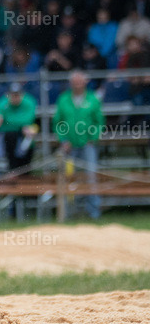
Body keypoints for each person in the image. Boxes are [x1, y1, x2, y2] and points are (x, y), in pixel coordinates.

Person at [53, 71, 104, 219]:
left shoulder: (93, 99)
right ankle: (67, 212)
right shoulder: (63, 99)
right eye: (74, 81)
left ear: (85, 82)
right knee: (67, 178)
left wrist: (92, 137)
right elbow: (57, 122)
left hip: (87, 145)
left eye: (80, 81)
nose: (77, 84)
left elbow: (99, 121)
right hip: (69, 146)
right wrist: (63, 139)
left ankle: (94, 213)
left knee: (91, 177)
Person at [0, 83, 38, 172]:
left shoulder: (29, 102)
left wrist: (8, 121)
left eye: (17, 95)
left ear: (22, 94)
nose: (15, 97)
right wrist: (19, 124)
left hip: (25, 134)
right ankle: (12, 170)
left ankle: (24, 172)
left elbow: (29, 120)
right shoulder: (2, 103)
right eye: (13, 95)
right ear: (8, 95)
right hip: (9, 136)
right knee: (10, 136)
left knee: (29, 134)